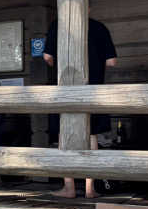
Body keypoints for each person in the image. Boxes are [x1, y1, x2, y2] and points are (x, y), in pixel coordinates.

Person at [44, 14, 117, 198]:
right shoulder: (99, 27)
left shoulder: (57, 25)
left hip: (64, 89)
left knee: (63, 135)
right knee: (91, 135)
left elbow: (47, 57)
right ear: (89, 7)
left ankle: (69, 187)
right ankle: (90, 189)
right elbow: (111, 62)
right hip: (93, 90)